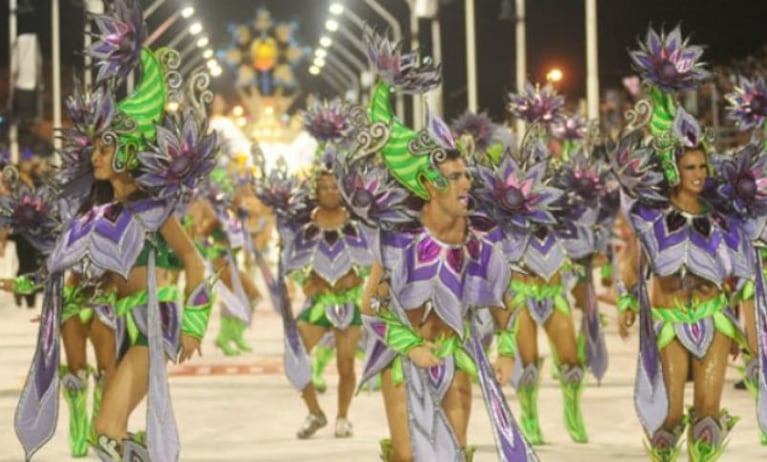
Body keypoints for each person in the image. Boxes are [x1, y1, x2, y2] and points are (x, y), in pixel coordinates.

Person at [14, 2, 217, 461]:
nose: (95, 156)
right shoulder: (107, 212)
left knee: (106, 430)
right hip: (120, 321)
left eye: (106, 146)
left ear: (128, 151)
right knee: (109, 436)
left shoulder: (152, 208)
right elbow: (76, 270)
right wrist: (28, 285)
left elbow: (193, 260)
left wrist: (193, 323)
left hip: (153, 324)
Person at [351, 30, 536, 462]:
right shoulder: (398, 242)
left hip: (457, 360)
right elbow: (372, 307)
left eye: (464, 175)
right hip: (405, 359)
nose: (465, 183)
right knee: (409, 456)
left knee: (453, 455)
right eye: (454, 178)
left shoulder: (482, 244)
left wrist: (507, 352)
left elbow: (510, 303)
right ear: (428, 185)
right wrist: (410, 345)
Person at [614, 25, 764, 461]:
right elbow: (632, 261)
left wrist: (750, 328)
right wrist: (627, 302)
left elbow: (745, 269)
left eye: (703, 165)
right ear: (673, 168)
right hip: (668, 321)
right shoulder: (651, 215)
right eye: (690, 166)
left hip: (714, 318)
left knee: (708, 413)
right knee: (671, 415)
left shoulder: (722, 218)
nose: (699, 173)